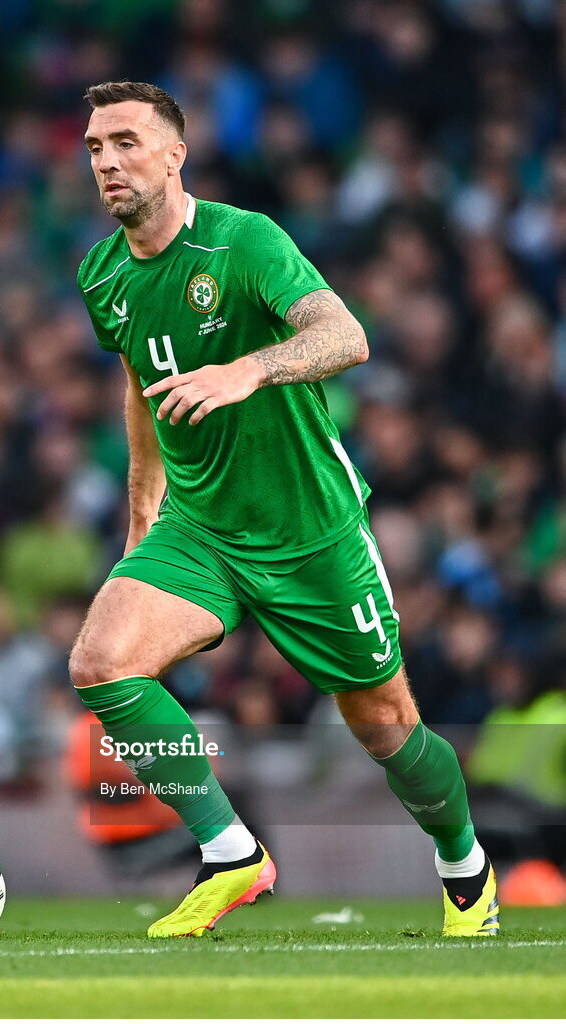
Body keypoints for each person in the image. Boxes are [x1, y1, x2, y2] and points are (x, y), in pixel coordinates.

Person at [71, 81, 498, 939]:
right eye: (93, 147)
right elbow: (137, 385)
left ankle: (465, 868)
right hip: (200, 526)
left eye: (124, 141)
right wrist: (142, 505)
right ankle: (230, 854)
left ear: (173, 154)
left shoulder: (245, 241)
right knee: (101, 662)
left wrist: (249, 370)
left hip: (310, 533)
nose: (108, 161)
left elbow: (345, 336)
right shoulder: (101, 273)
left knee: (385, 727)